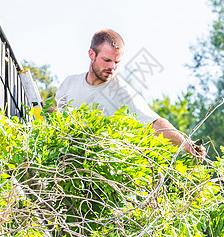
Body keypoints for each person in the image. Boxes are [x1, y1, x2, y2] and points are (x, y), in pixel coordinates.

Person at [55, 29, 205, 158]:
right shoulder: (69, 84)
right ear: (91, 54)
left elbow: (154, 123)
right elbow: (55, 117)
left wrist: (186, 143)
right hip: (64, 168)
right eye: (107, 60)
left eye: (117, 62)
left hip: (100, 175)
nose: (112, 67)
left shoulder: (121, 91)